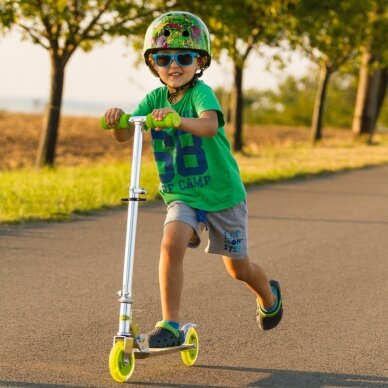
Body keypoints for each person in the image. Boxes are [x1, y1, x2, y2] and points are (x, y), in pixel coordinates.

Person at [104, 11, 283, 348]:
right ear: (152, 63)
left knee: (238, 270)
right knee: (171, 244)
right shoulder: (155, 99)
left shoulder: (202, 93)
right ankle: (170, 325)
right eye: (163, 58)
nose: (174, 65)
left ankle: (269, 295)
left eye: (184, 57)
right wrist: (118, 121)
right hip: (182, 195)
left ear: (200, 61)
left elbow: (209, 126)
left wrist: (177, 120)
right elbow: (127, 132)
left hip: (221, 196)